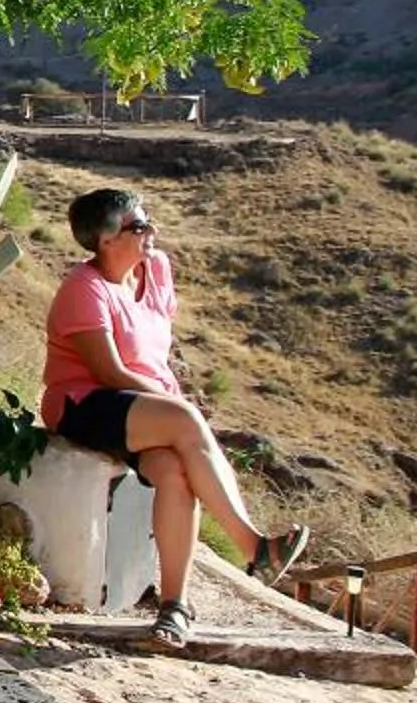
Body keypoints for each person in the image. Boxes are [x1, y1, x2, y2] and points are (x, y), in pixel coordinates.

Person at [40, 187, 309, 649]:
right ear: (105, 240)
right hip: (86, 404)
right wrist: (174, 406)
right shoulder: (83, 290)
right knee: (185, 424)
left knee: (175, 472)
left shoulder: (157, 271)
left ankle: (173, 609)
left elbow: (154, 353)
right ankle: (253, 546)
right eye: (139, 226)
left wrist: (170, 403)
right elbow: (109, 372)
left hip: (140, 407)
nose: (151, 233)